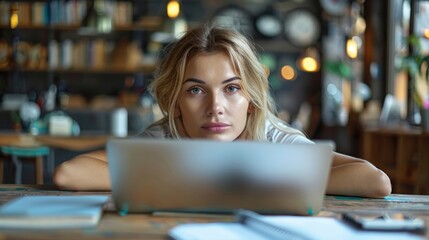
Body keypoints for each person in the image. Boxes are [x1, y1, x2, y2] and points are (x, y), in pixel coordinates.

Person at [53, 24, 391, 197]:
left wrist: (253, 180)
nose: (216, 108)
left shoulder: (271, 136)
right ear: (176, 101)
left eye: (232, 89)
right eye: (196, 90)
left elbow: (376, 181)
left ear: (251, 98)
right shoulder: (166, 137)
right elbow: (68, 174)